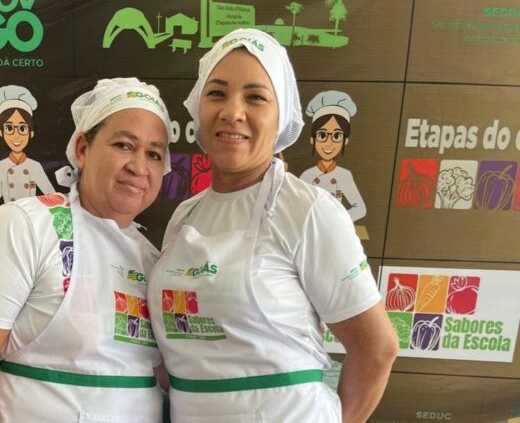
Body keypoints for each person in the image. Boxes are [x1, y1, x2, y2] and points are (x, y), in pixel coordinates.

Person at [148, 29, 398, 423]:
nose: (232, 112)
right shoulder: (185, 216)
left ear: (281, 116)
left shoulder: (307, 210)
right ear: (198, 107)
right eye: (217, 93)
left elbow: (377, 348)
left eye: (255, 97)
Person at [0, 78, 172, 422]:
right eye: (124, 145)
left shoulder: (156, 263)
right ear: (83, 148)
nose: (138, 167)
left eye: (154, 154)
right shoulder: (26, 226)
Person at [0, 85, 55, 205]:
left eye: (22, 128)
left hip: (29, 214)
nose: (16, 135)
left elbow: (52, 197)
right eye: (9, 128)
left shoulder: (34, 166)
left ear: (31, 133)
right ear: (1, 132)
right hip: (8, 214)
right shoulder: (1, 166)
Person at [299, 91, 366, 222]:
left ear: (345, 141)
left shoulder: (344, 175)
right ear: (313, 139)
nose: (329, 142)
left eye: (336, 136)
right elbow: (296, 207)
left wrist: (336, 221)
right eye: (322, 135)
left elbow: (360, 208)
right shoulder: (307, 175)